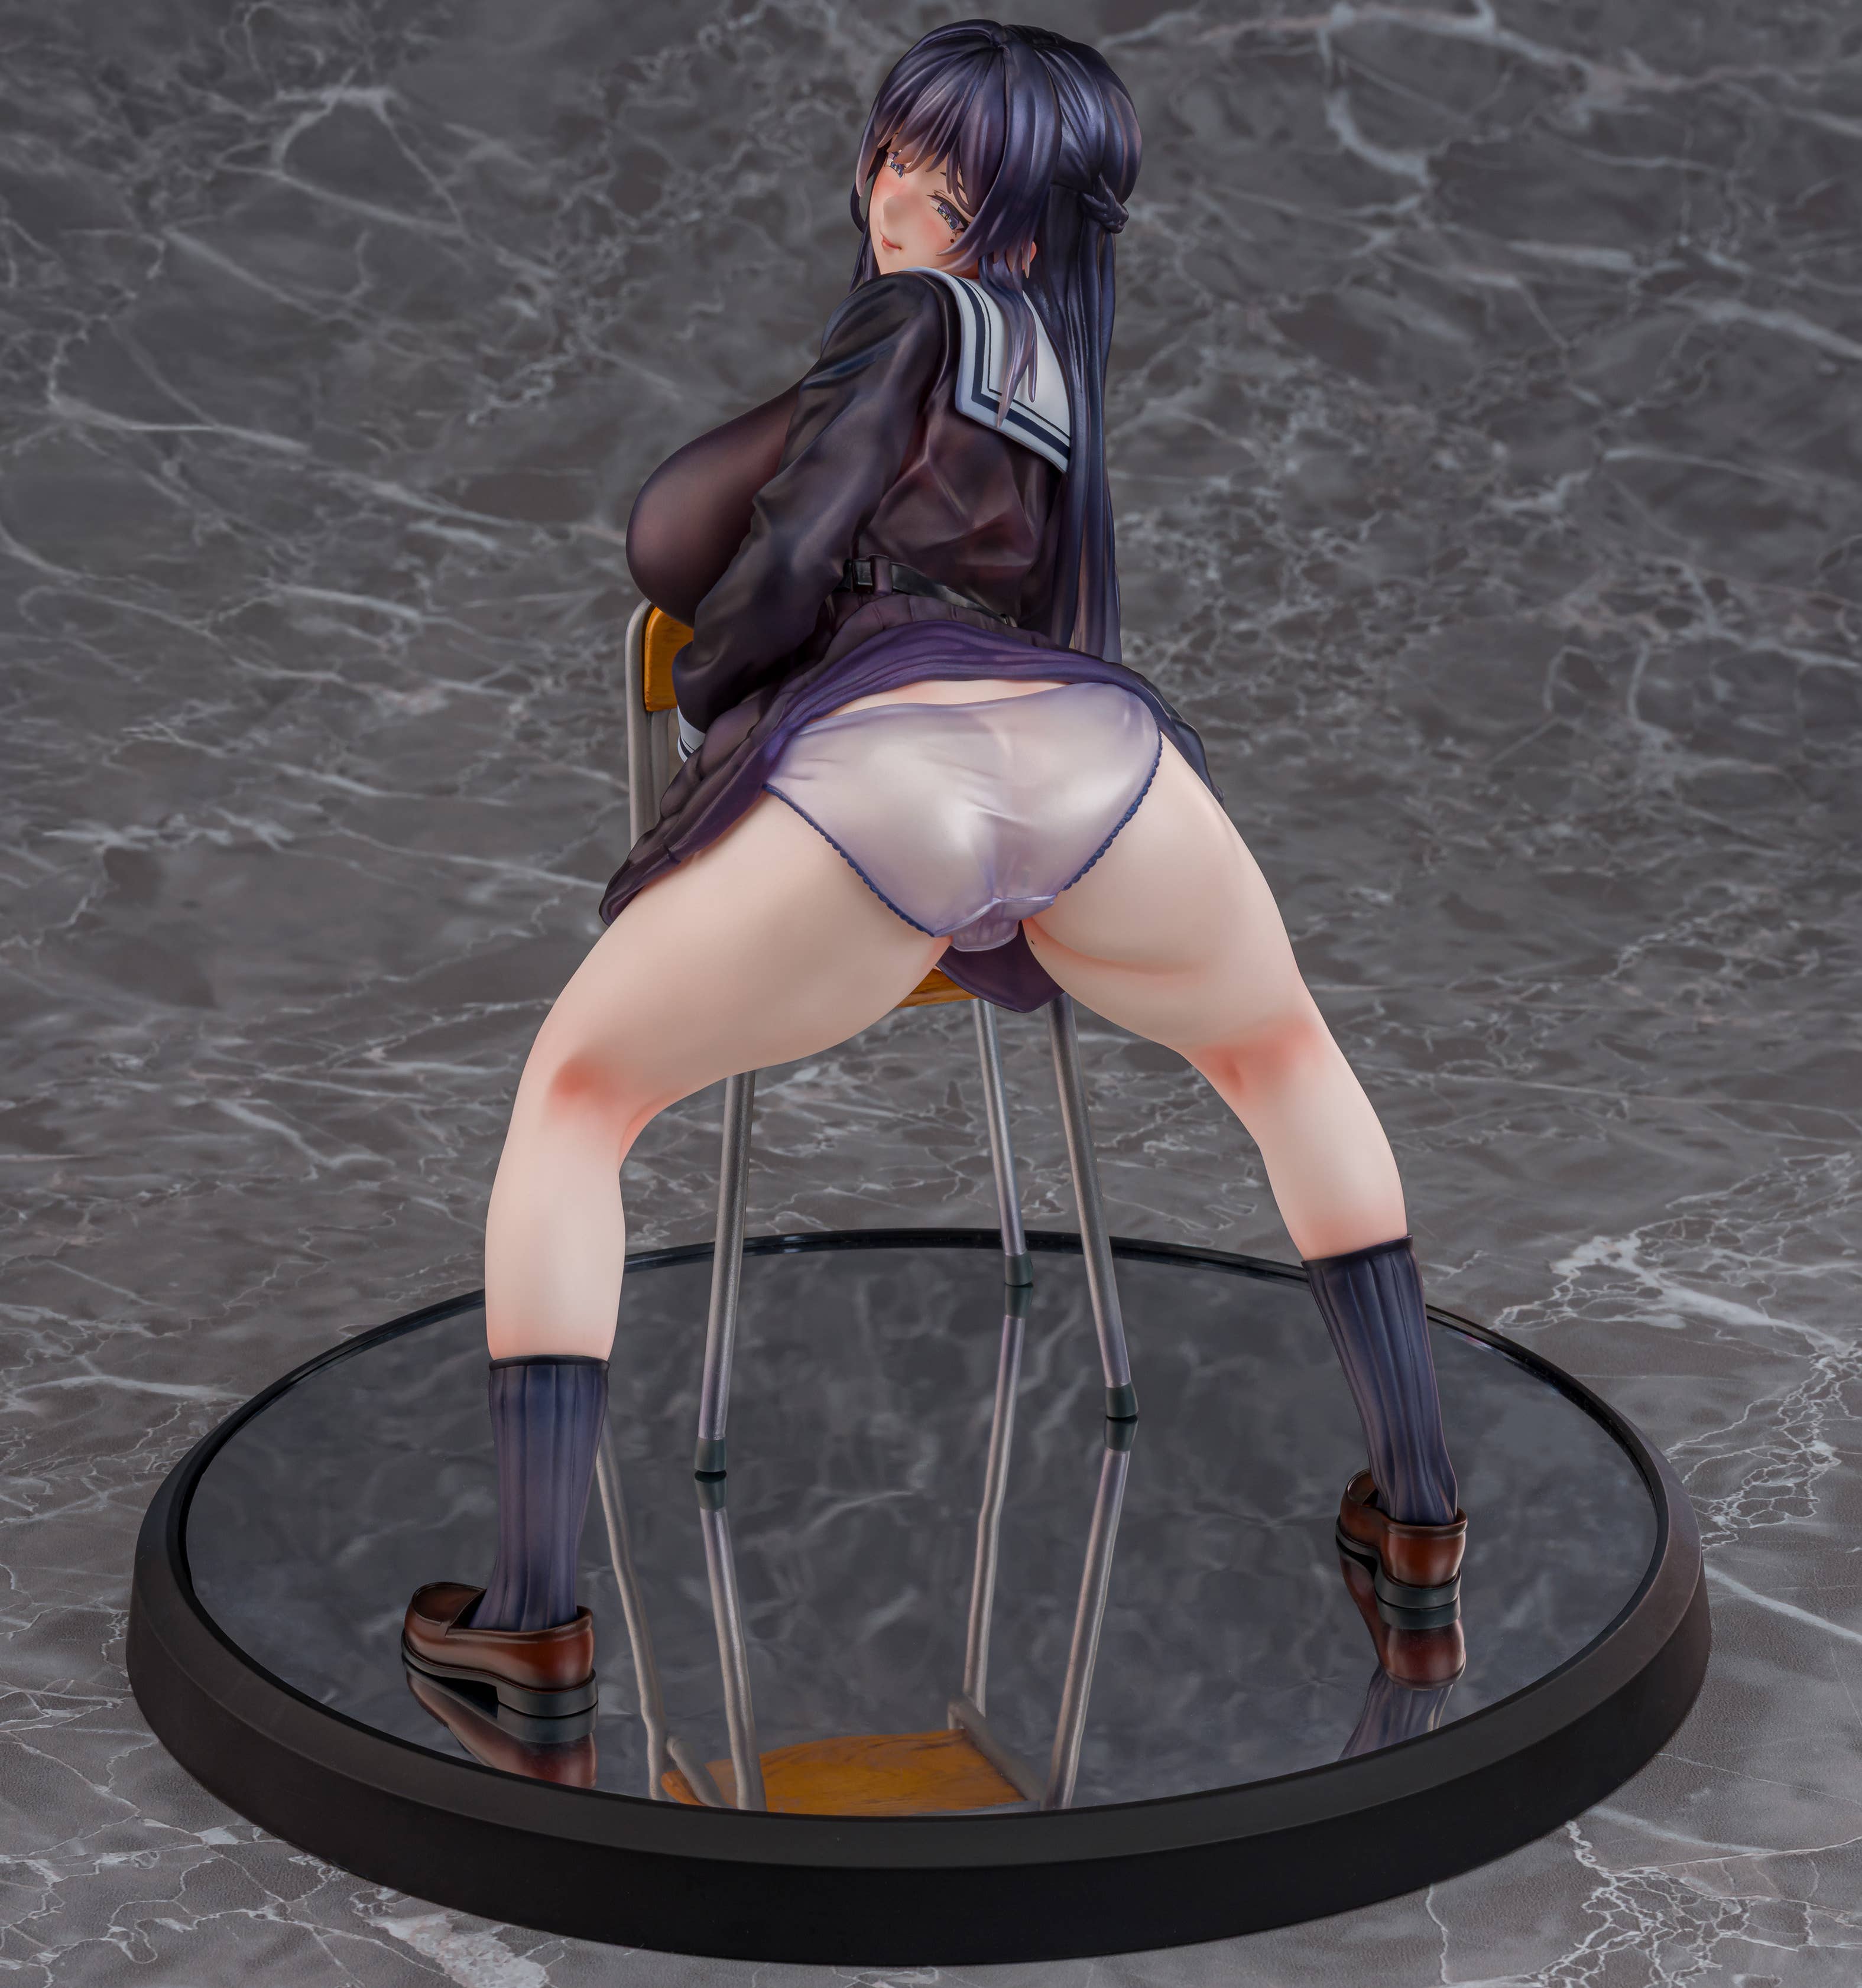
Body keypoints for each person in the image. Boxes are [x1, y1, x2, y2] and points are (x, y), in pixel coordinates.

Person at [401, 20, 1466, 1722]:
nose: (891, 193)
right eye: (895, 154)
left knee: (578, 1102)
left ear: (1013, 228)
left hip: (885, 778)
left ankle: (531, 1619)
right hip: (1096, 765)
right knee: (1284, 1057)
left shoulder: (904, 317)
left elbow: (775, 548)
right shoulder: (1053, 362)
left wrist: (713, 682)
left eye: (941, 180)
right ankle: (1418, 1519)